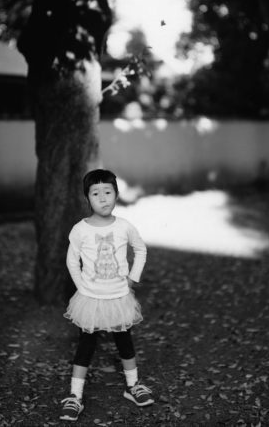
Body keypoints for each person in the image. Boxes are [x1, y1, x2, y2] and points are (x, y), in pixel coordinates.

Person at [60, 168, 154, 422]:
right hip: (90, 299)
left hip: (119, 297)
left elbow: (140, 249)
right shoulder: (80, 229)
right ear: (87, 198)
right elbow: (72, 261)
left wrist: (133, 278)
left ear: (116, 195)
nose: (102, 198)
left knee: (124, 341)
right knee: (86, 344)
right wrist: (82, 288)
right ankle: (75, 396)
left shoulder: (124, 226)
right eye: (95, 193)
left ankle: (133, 386)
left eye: (107, 192)